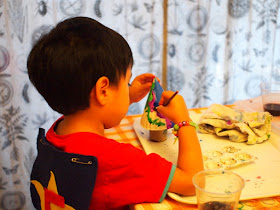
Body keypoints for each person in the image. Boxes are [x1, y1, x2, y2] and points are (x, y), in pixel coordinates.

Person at [27, 17, 203, 209]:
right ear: (103, 91)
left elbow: (95, 113)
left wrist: (128, 96)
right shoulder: (114, 160)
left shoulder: (58, 131)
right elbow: (193, 182)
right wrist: (184, 122)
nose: (128, 87)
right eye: (126, 81)